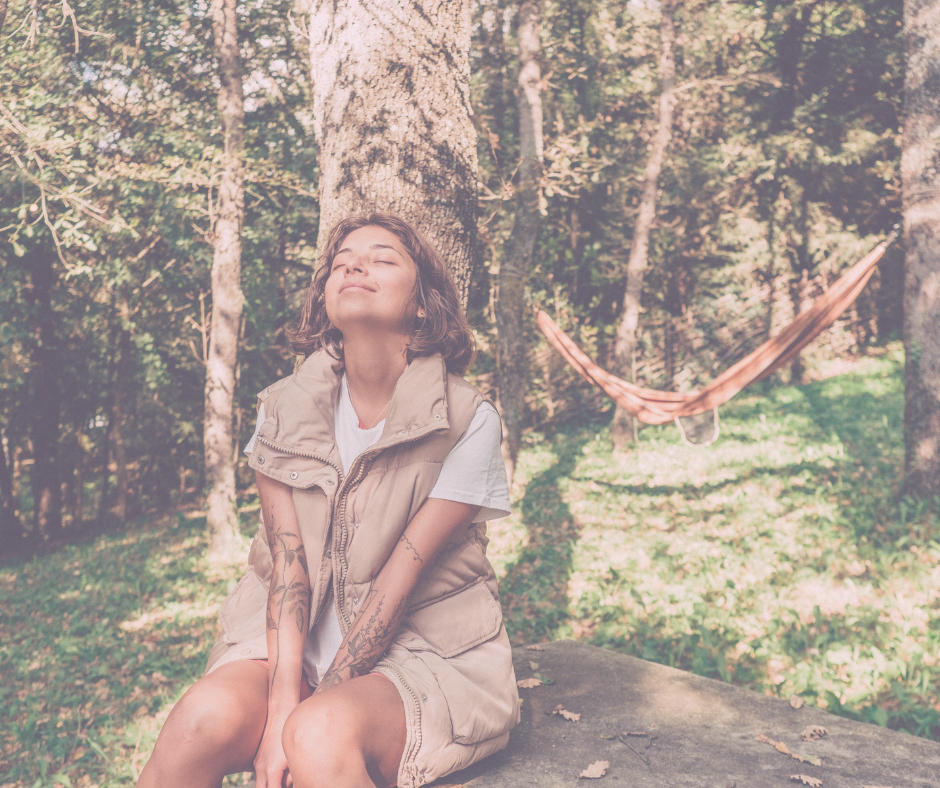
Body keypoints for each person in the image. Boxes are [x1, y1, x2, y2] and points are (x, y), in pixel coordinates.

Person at [138, 212, 520, 788]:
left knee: (317, 734)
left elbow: (399, 582)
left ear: (423, 304)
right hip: (291, 654)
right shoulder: (280, 412)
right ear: (326, 301)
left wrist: (299, 724)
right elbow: (287, 569)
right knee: (199, 718)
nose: (354, 265)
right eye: (342, 261)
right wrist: (281, 706)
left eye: (382, 258)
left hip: (424, 658)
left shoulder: (467, 419)